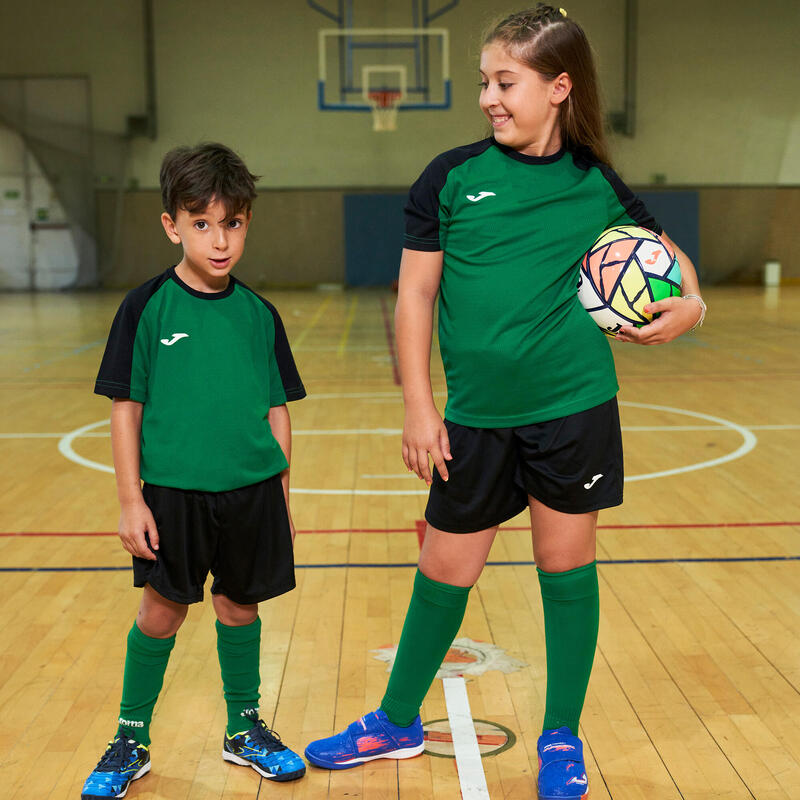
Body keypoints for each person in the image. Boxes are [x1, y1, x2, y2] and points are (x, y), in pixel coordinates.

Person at [304, 5, 705, 799]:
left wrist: (692, 303)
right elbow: (415, 295)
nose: (489, 96)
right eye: (485, 80)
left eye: (505, 81)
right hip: (475, 419)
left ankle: (561, 735)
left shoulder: (594, 181)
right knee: (443, 568)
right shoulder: (450, 177)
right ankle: (395, 721)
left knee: (567, 568)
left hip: (574, 408)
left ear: (558, 88)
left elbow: (669, 258)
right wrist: (420, 406)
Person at [82, 143, 307, 799]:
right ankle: (130, 737)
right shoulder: (147, 307)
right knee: (161, 612)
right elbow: (126, 407)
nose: (219, 240)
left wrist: (284, 496)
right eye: (201, 223)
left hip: (253, 492)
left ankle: (244, 728)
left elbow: (277, 409)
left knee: (241, 607)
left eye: (232, 223)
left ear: (246, 223)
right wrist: (131, 500)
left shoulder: (259, 314)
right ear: (171, 225)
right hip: (173, 495)